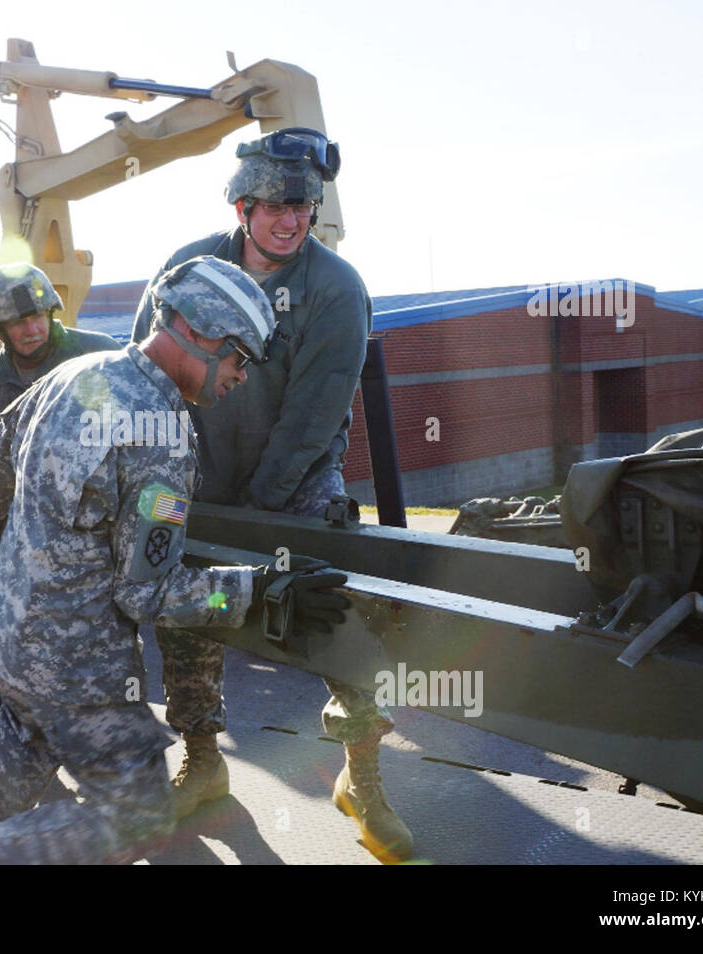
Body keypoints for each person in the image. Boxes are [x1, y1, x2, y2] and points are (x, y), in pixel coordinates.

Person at [0, 255, 350, 865]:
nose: (242, 376)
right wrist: (259, 591)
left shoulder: (74, 375)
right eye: (241, 357)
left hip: (6, 635)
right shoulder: (161, 432)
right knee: (140, 819)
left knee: (26, 735)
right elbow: (148, 594)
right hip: (80, 667)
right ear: (197, 333)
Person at [130, 127, 414, 862]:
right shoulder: (188, 268)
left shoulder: (336, 290)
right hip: (195, 467)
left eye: (304, 206)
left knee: (332, 608)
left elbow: (311, 419)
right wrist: (168, 489)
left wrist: (256, 522)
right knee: (186, 607)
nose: (291, 219)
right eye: (274, 205)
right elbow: (145, 371)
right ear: (241, 205)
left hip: (292, 479)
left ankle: (361, 772)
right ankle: (202, 755)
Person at [0, 262, 120, 457]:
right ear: (0, 332)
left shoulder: (102, 356)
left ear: (50, 313)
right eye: (17, 322)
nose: (32, 330)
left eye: (38, 316)